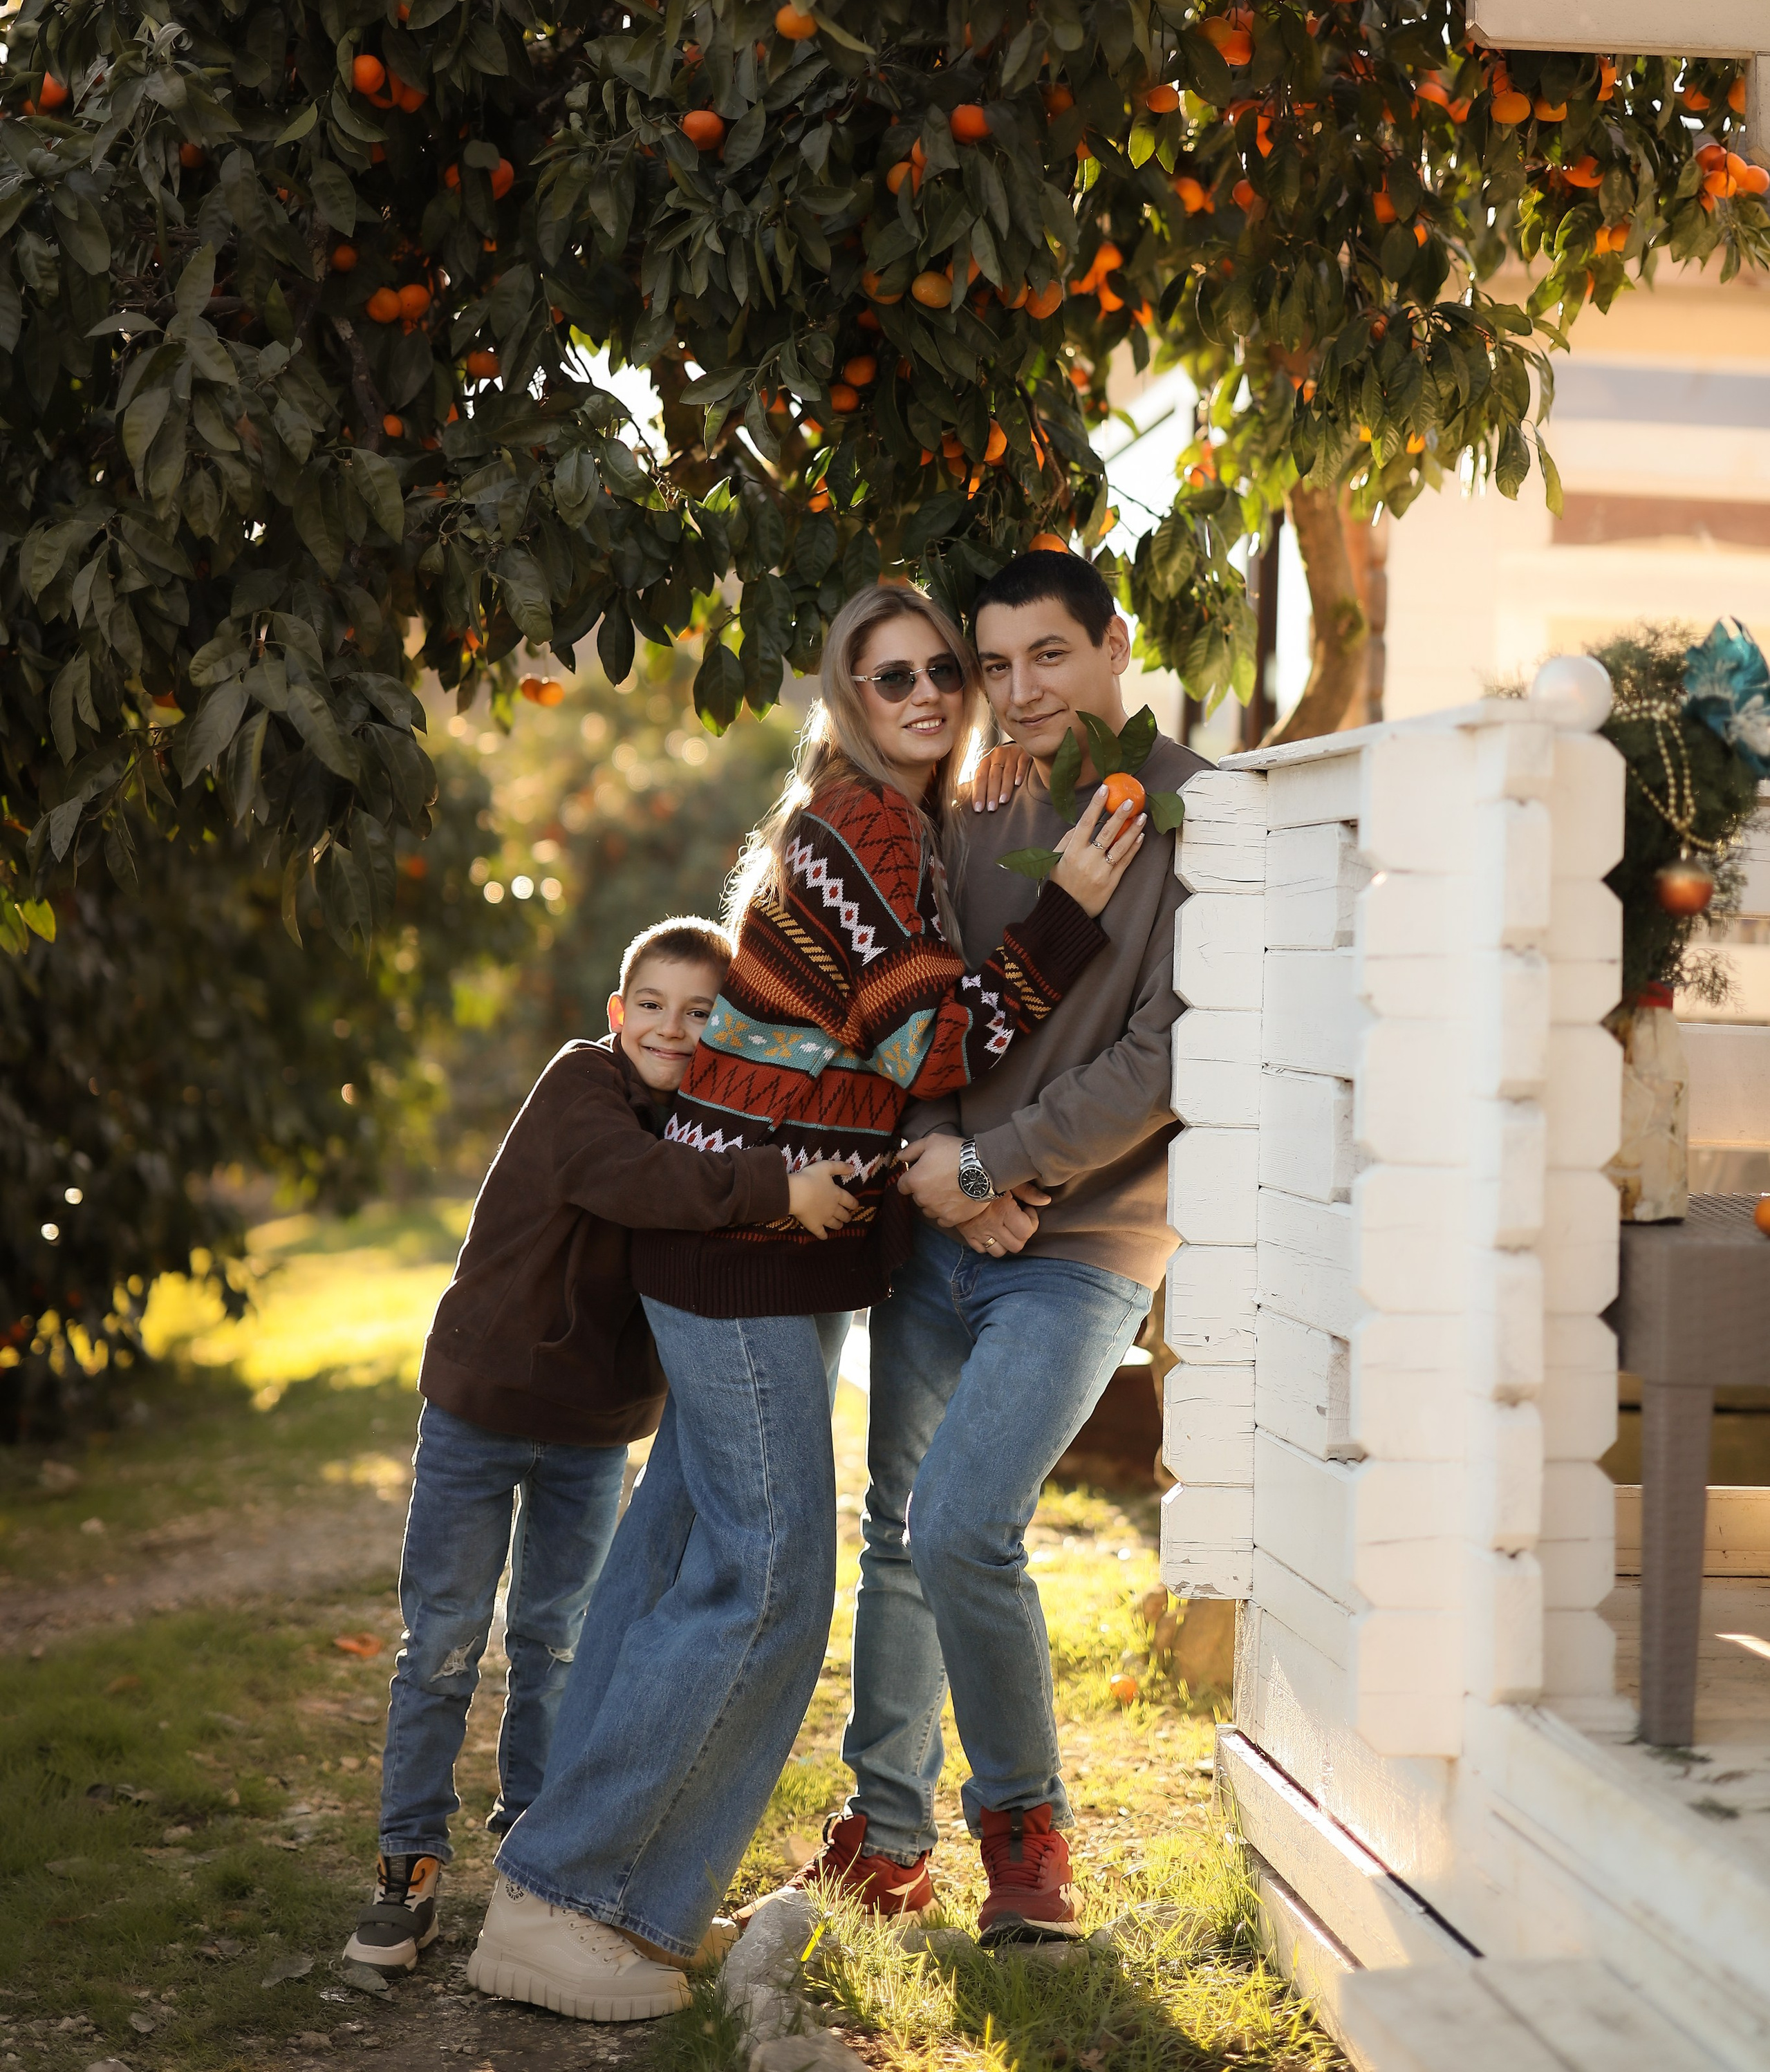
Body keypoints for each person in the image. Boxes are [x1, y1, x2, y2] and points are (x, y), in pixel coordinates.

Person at [466, 581, 1144, 2021]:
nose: (925, 694)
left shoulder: (886, 824)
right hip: (747, 1260)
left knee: (669, 1561)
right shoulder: (873, 825)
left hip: (746, 1253)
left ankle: (570, 1885)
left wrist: (971, 1167)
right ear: (847, 695)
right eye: (888, 675)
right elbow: (932, 1038)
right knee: (766, 1583)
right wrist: (1072, 913)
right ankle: (580, 1898)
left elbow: (895, 1060)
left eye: (940, 673)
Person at [805, 546, 1210, 1943]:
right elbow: (926, 1006)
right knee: (895, 1537)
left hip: (1089, 1234)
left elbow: (1172, 1051)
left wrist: (1003, 1163)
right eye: (996, 667)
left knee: (964, 1524)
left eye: (1049, 656)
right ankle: (885, 1834)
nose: (1020, 691)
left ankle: (1024, 1837)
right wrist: (946, 1166)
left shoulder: (1200, 813)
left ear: (1113, 645)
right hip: (940, 1218)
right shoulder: (972, 810)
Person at [343, 915, 857, 1975]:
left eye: (700, 1013)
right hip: (484, 1410)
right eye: (654, 1007)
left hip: (585, 1435)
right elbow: (630, 1181)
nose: (673, 1029)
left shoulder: (708, 1123)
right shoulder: (582, 1088)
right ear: (620, 1014)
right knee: (443, 1639)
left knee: (558, 1643)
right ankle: (409, 1870)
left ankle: (539, 1859)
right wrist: (777, 1189)